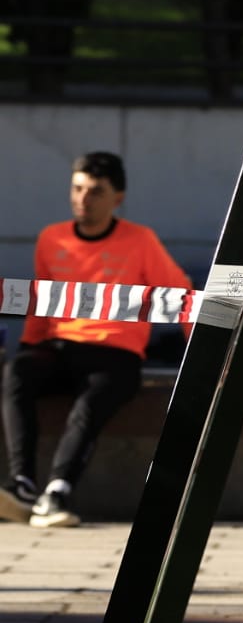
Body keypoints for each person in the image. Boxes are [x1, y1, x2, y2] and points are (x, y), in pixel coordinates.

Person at [1, 152, 193, 529]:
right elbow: (41, 302)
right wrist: (28, 348)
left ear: (117, 197)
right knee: (17, 373)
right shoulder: (50, 238)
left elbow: (180, 292)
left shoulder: (140, 240)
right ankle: (22, 483)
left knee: (89, 405)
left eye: (94, 192)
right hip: (60, 347)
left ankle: (57, 492)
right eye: (76, 189)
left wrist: (203, 355)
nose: (82, 200)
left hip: (115, 353)